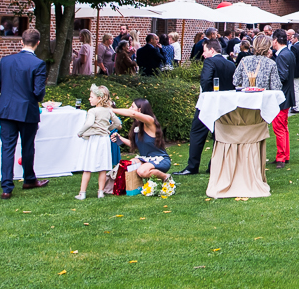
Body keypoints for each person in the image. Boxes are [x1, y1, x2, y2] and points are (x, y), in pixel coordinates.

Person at [0, 28, 49, 200]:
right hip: (26, 110)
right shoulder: (38, 64)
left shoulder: (6, 61)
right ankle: (29, 179)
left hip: (7, 109)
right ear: (37, 43)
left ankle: (7, 187)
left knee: (7, 148)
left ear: (21, 41)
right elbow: (38, 93)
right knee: (27, 145)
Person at [176, 40, 237, 175]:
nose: (203, 54)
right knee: (219, 134)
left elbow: (205, 80)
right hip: (225, 104)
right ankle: (213, 164)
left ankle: (192, 166)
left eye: (204, 51)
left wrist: (206, 94)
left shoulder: (210, 62)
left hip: (209, 103)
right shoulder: (231, 64)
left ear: (212, 50)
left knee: (197, 132)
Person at [233, 35, 285, 164]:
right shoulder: (271, 63)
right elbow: (276, 86)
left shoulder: (244, 60)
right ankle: (256, 160)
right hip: (261, 103)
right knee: (259, 133)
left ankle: (244, 160)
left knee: (246, 132)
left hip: (244, 102)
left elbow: (235, 80)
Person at [112, 99, 174, 190]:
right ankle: (135, 187)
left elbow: (132, 113)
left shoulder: (150, 120)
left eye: (132, 107)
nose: (130, 108)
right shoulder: (137, 126)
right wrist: (120, 138)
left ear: (140, 110)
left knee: (142, 171)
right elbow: (136, 146)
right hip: (145, 158)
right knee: (128, 165)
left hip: (160, 159)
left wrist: (110, 110)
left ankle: (165, 177)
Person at [74, 85, 117, 200]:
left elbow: (89, 123)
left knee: (87, 166)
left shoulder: (92, 111)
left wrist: (80, 132)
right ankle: (101, 192)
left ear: (99, 98)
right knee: (102, 167)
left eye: (91, 96)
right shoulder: (108, 111)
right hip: (104, 140)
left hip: (94, 139)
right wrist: (107, 128)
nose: (89, 99)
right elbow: (117, 123)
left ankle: (82, 193)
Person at [270, 30, 296, 165]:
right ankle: (284, 155)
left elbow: (282, 76)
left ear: (275, 40)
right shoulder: (288, 53)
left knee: (279, 127)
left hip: (282, 96)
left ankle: (281, 156)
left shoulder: (283, 55)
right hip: (287, 94)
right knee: (283, 127)